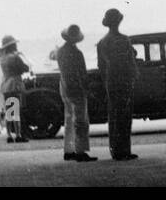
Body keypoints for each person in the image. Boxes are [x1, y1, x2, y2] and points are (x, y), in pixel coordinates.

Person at [97, 9, 138, 161]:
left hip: (112, 82)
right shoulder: (123, 39)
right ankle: (124, 150)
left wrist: (107, 82)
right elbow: (132, 56)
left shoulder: (103, 41)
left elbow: (101, 66)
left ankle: (116, 151)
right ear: (119, 21)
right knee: (125, 117)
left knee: (114, 116)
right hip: (124, 81)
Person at [57, 25, 97, 162]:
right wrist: (86, 89)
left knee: (68, 120)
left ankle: (68, 150)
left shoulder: (60, 51)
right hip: (76, 90)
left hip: (64, 88)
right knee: (81, 121)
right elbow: (82, 74)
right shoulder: (77, 53)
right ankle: (80, 151)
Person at [0, 35, 31, 143]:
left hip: (6, 86)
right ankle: (18, 134)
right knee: (16, 111)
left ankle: (8, 135)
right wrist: (21, 56)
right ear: (12, 46)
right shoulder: (15, 57)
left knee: (9, 112)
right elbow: (25, 68)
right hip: (15, 85)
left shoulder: (2, 59)